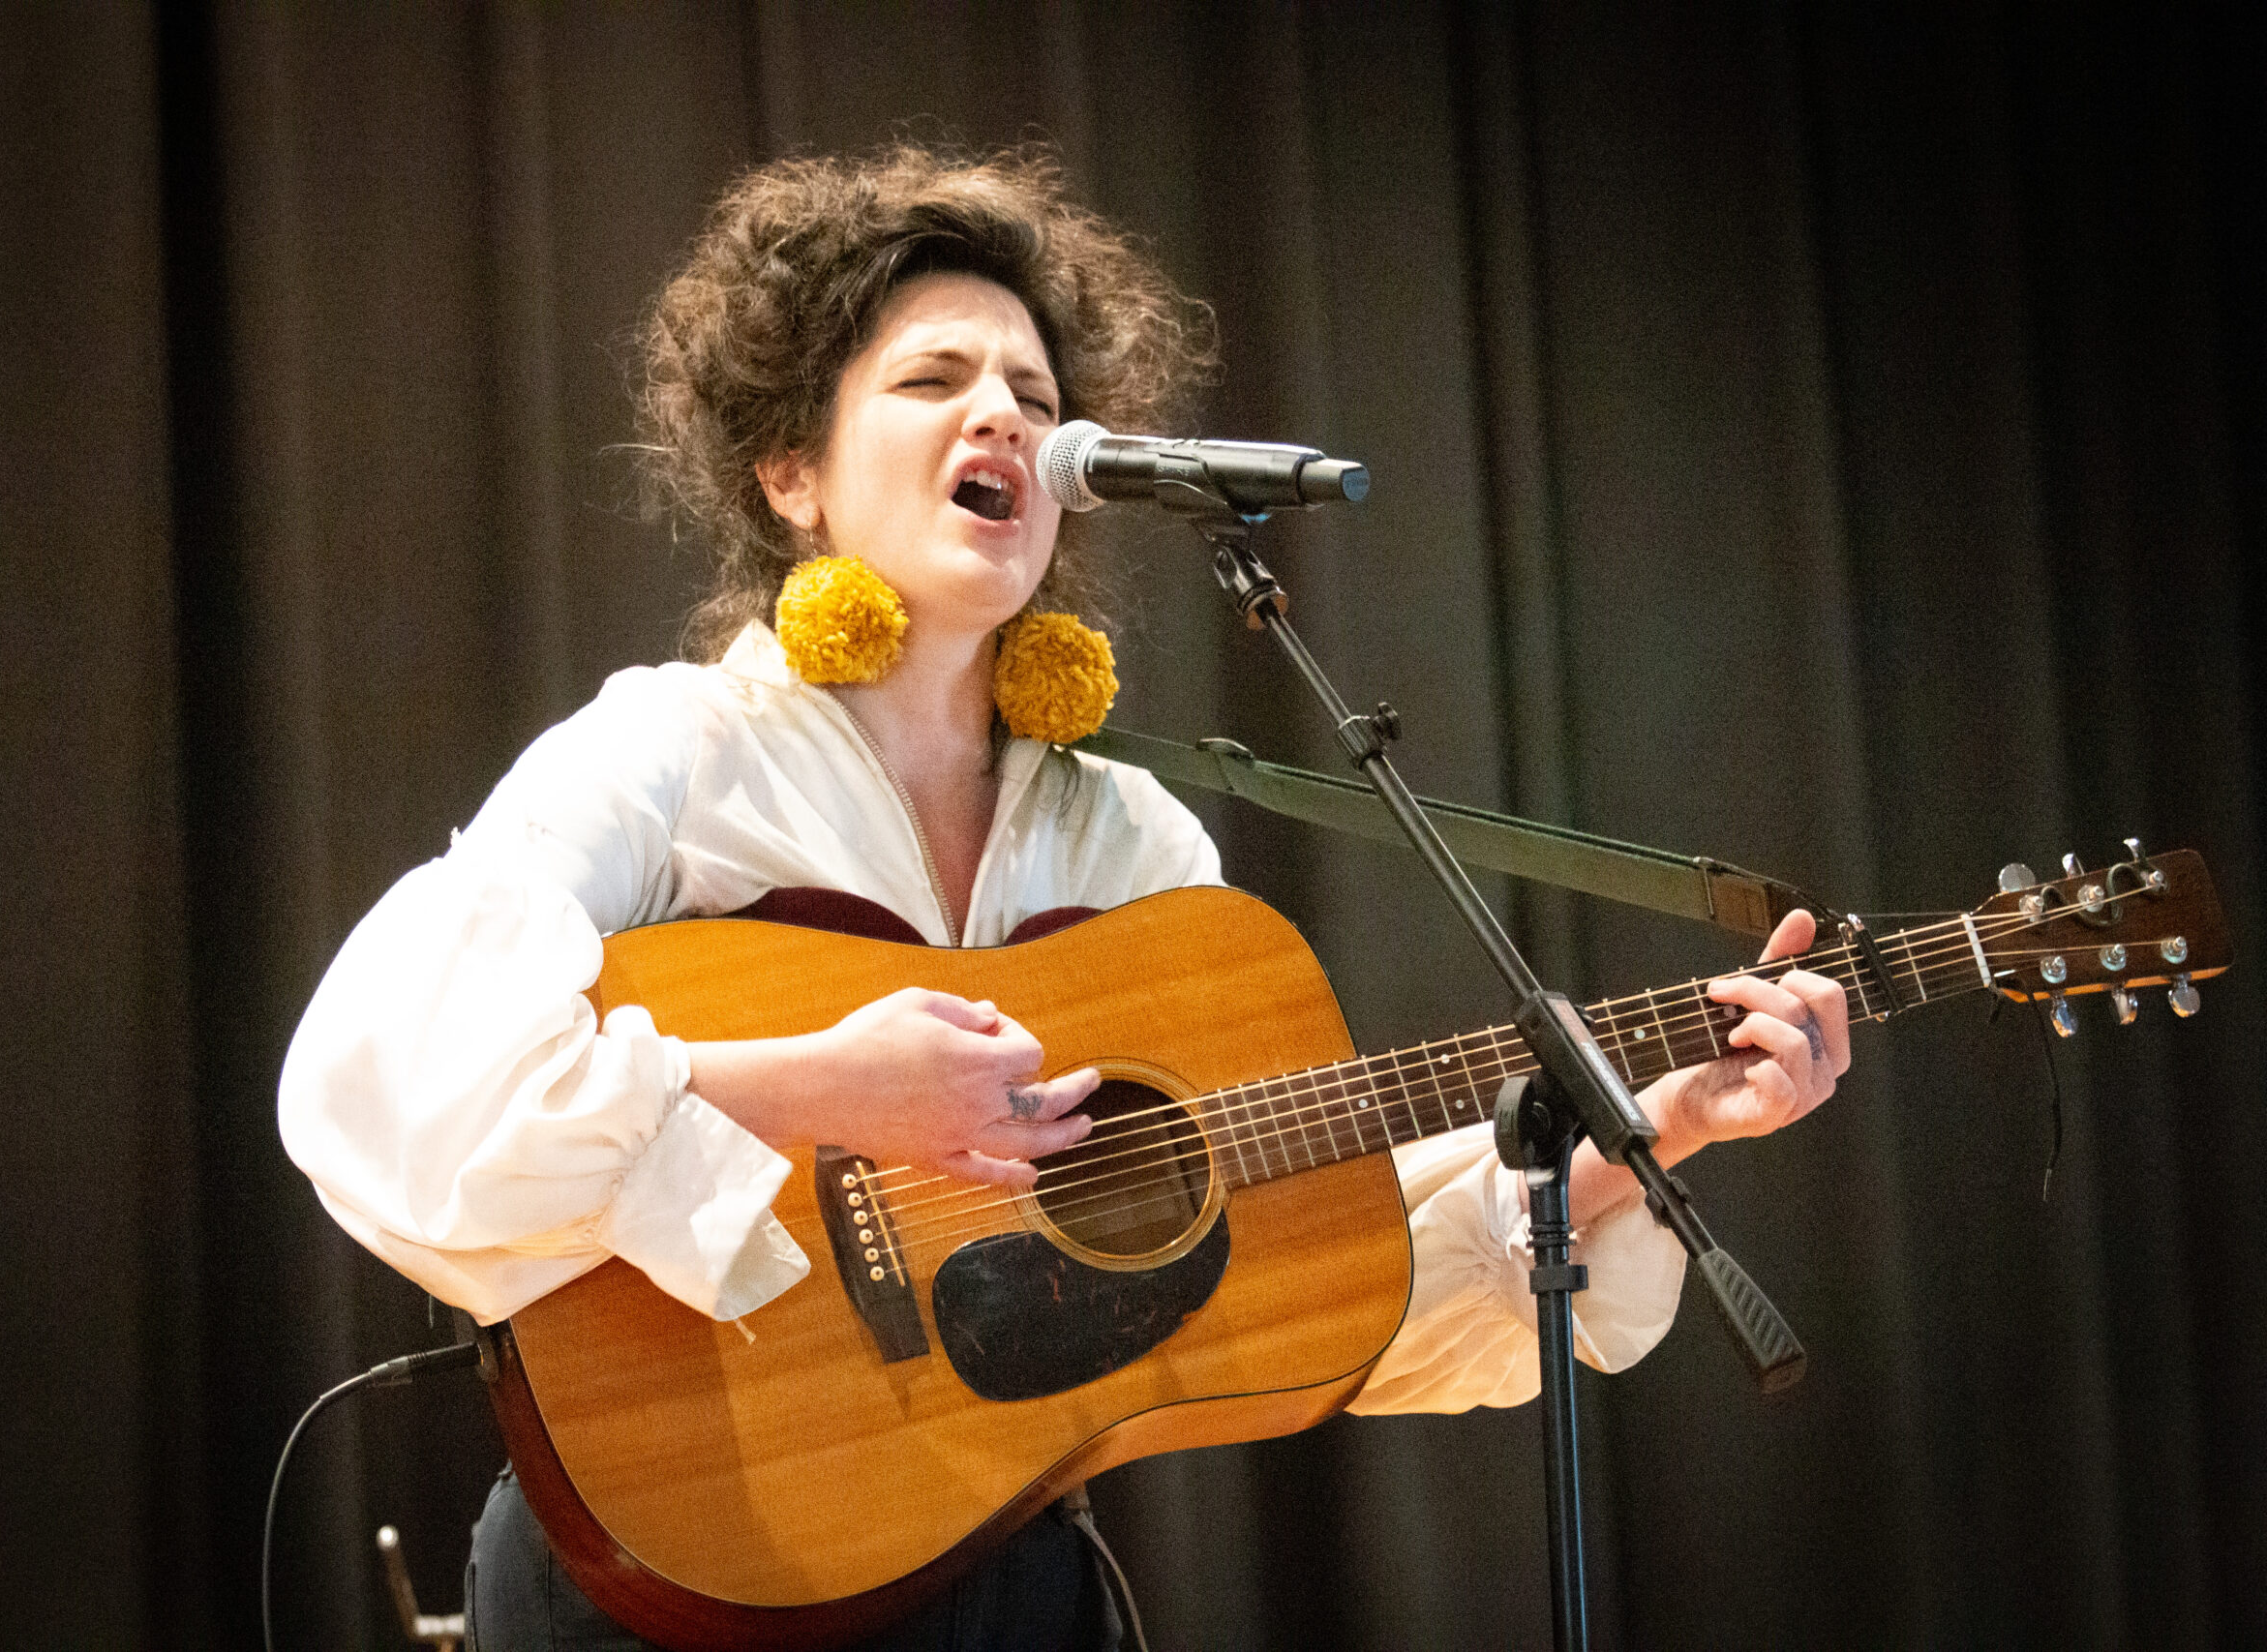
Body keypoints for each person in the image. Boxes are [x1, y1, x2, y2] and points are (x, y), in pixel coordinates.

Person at [279, 146, 1850, 1651]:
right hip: (673, 1573)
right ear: (789, 473)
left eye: (1037, 397)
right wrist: (814, 1089)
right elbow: (394, 1083)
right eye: (933, 382)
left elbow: (1314, 1274)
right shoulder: (671, 755)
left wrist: (1664, 1129)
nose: (1005, 420)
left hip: (1008, 1585)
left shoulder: (1136, 848)